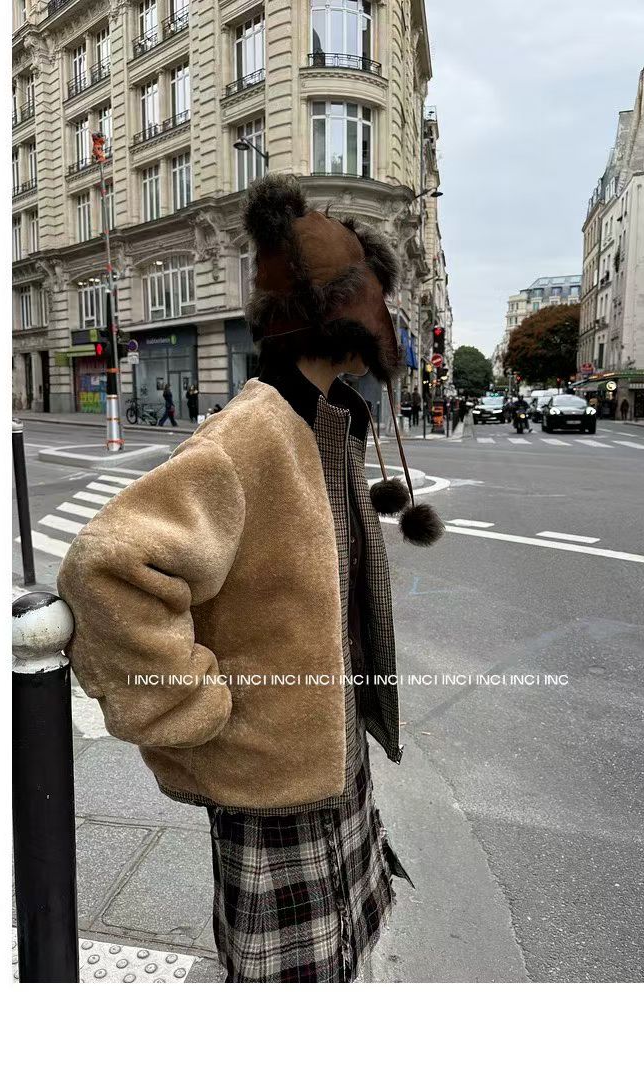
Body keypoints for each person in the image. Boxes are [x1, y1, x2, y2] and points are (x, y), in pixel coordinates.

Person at [57, 174, 443, 984]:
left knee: (333, 963)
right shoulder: (253, 434)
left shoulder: (323, 418)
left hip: (322, 754)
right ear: (342, 319)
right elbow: (107, 567)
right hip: (269, 772)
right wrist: (191, 707)